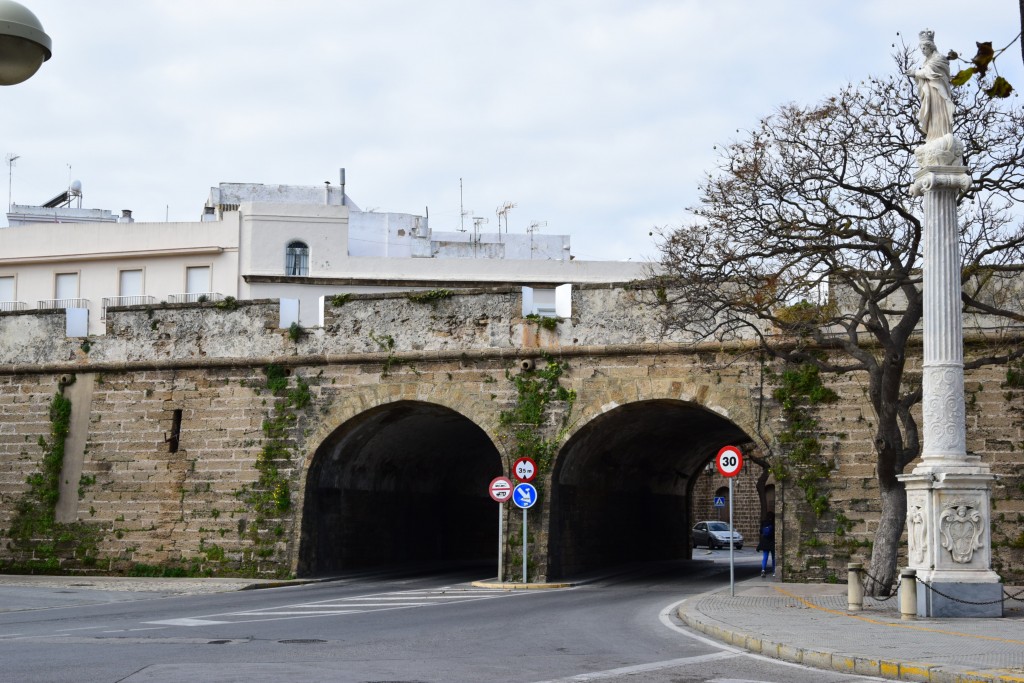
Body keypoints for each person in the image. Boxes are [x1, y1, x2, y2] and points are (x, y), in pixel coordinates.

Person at [906, 29, 954, 142]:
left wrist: (916, 73)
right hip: (930, 94)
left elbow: (930, 72)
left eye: (924, 48)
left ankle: (942, 135)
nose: (922, 51)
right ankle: (933, 137)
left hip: (938, 93)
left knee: (939, 113)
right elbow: (923, 80)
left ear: (931, 47)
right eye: (921, 48)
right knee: (932, 115)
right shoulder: (926, 62)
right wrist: (914, 76)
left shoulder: (939, 59)